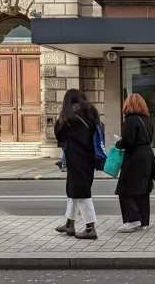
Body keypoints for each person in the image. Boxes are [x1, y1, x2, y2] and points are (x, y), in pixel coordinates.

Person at [54, 89, 100, 240]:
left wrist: (61, 117)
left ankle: (90, 227)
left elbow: (58, 134)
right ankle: (70, 223)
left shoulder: (69, 118)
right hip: (89, 158)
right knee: (73, 191)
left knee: (82, 193)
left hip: (76, 159)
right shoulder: (91, 113)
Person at [115, 93, 155, 233]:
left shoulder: (130, 120)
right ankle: (144, 221)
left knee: (124, 189)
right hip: (147, 156)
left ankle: (132, 220)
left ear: (128, 105)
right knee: (143, 189)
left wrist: (119, 143)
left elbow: (128, 141)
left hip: (134, 158)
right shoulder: (147, 120)